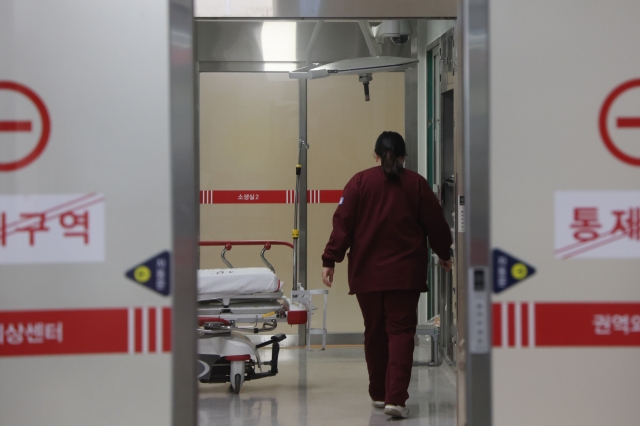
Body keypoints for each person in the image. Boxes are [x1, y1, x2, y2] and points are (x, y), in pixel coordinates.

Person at [321, 131, 452, 419]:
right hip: (404, 277)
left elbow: (342, 223)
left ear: (375, 155)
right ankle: (396, 399)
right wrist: (445, 254)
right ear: (404, 156)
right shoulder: (416, 184)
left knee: (375, 333)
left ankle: (379, 394)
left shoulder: (359, 183)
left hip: (367, 276)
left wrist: (331, 258)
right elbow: (436, 224)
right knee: (401, 334)